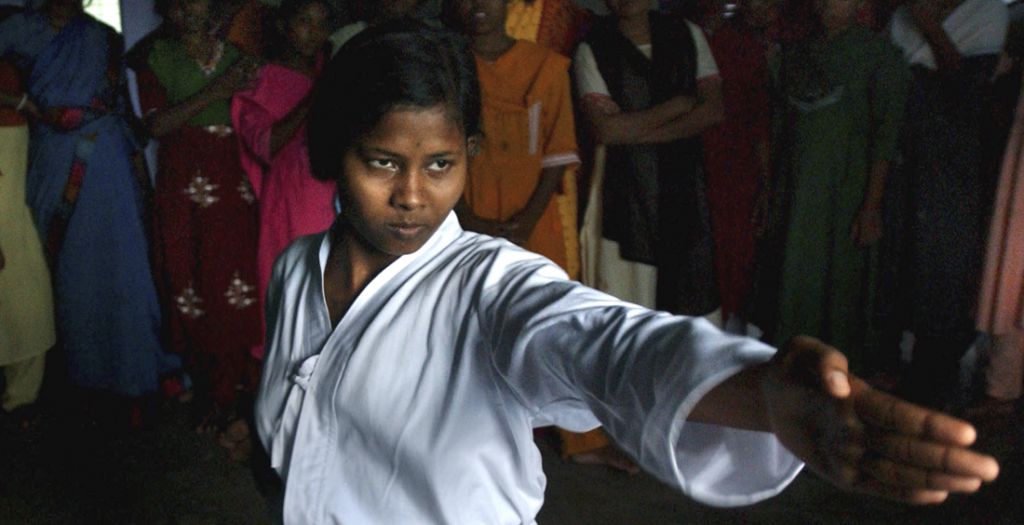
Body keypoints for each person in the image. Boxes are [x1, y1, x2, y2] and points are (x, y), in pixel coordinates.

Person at [254, 21, 1000, 524]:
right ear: (333, 150)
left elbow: (604, 341)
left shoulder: (487, 287)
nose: (413, 194)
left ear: (468, 154)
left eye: (440, 163)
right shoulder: (296, 272)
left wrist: (761, 393)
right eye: (383, 161)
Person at [0, 0, 178, 406]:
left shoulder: (104, 37)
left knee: (119, 262)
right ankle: (73, 368)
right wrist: (21, 102)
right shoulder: (18, 29)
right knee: (62, 265)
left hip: (107, 156)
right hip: (51, 157)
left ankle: (128, 367)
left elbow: (123, 104)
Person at [754, 0, 908, 374]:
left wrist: (870, 206)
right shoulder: (796, 53)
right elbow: (776, 127)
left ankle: (839, 376)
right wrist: (767, 190)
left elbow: (885, 137)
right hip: (795, 191)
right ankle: (790, 368)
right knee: (792, 274)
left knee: (840, 284)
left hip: (845, 193)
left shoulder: (880, 55)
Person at [135, 0, 263, 436]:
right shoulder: (154, 58)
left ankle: (233, 394)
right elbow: (155, 127)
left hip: (232, 181)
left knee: (232, 282)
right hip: (183, 181)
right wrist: (216, 91)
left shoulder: (239, 57)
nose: (193, 10)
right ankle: (208, 389)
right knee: (185, 278)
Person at [887, 0, 1008, 408]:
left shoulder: (988, 11)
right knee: (902, 257)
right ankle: (900, 369)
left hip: (954, 159)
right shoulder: (905, 13)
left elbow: (968, 90)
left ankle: (934, 383)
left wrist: (932, 30)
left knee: (944, 264)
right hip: (906, 153)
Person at [574, 0, 722, 319]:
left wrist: (636, 131)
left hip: (684, 192)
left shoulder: (687, 35)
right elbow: (605, 130)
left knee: (690, 309)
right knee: (629, 312)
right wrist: (680, 104)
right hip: (624, 198)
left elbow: (713, 109)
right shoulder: (592, 48)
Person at [232, 0, 338, 358]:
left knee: (333, 289)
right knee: (297, 289)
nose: (313, 32)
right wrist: (317, 95)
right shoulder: (261, 78)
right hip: (292, 200)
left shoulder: (331, 68)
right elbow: (266, 145)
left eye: (321, 24)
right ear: (282, 25)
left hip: (336, 194)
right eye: (304, 22)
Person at [695, 0, 772, 329]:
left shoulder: (746, 46)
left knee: (735, 263)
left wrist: (765, 187)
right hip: (693, 170)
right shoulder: (679, 38)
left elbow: (760, 126)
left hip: (736, 174)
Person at [0, 12, 57, 425]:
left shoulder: (18, 25)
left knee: (16, 258)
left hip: (13, 141)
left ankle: (23, 383)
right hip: (14, 131)